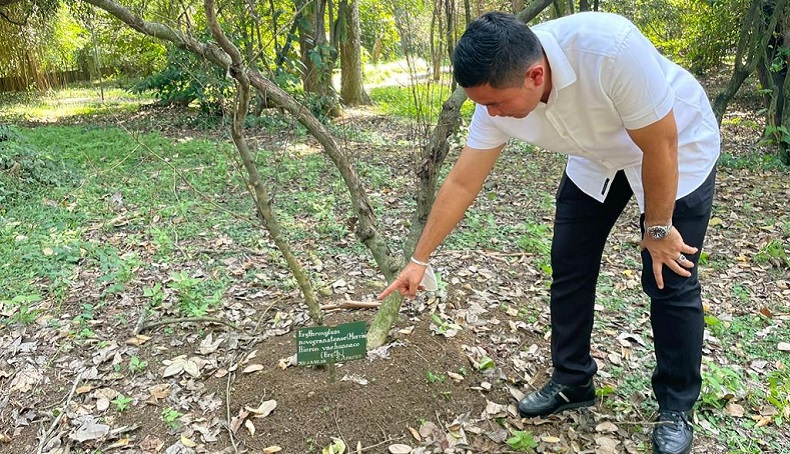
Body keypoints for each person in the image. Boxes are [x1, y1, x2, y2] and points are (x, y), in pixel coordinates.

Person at [377, 11, 719, 454]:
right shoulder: (495, 97)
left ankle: (676, 407)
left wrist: (658, 228)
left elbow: (661, 144)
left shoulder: (609, 49)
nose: (490, 114)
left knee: (668, 276)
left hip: (674, 144)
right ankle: (572, 380)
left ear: (536, 75)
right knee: (570, 263)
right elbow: (463, 181)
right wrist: (418, 260)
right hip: (595, 157)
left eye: (496, 103)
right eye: (482, 104)